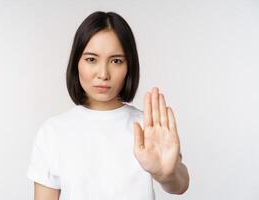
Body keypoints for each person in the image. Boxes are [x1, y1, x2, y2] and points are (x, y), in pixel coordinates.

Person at [27, 11, 189, 200]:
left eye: (116, 61)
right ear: (76, 63)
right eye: (91, 59)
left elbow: (180, 185)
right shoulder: (53, 131)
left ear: (129, 66)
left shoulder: (147, 127)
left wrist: (166, 174)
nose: (103, 73)